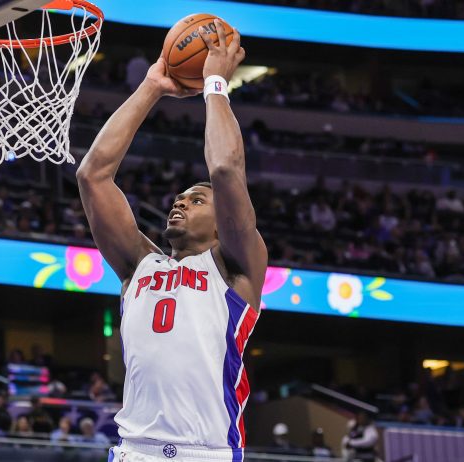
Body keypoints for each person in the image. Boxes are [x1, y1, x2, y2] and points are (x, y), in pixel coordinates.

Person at [77, 20, 266, 461]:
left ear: (224, 219)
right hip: (133, 452)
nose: (179, 203)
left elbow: (224, 170)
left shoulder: (237, 266)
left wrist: (215, 83)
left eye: (196, 200)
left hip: (206, 453)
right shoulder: (139, 265)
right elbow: (93, 176)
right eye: (178, 198)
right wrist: (151, 87)